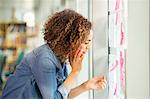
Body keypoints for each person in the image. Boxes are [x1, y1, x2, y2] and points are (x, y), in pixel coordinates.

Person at [1, 9, 107, 99]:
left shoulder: (60, 58)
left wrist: (86, 86)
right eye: (86, 42)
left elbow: (61, 94)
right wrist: (75, 72)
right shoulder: (45, 59)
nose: (88, 47)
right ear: (71, 40)